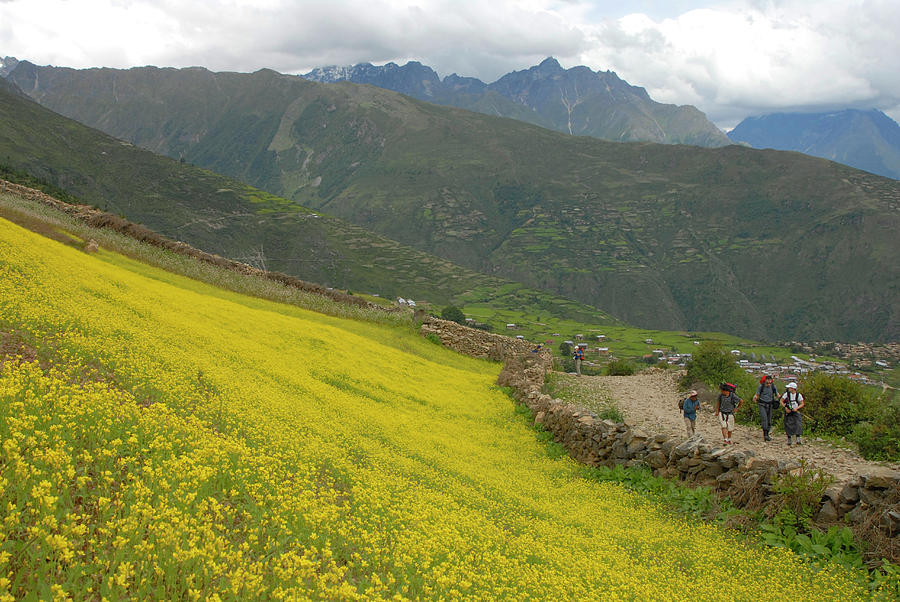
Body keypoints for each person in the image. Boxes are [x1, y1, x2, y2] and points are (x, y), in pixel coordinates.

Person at [753, 374, 779, 441]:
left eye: (770, 382)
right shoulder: (761, 387)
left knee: (769, 421)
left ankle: (767, 434)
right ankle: (765, 435)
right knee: (764, 419)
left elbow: (777, 394)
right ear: (765, 381)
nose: (769, 384)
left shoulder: (773, 387)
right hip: (762, 404)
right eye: (767, 383)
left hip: (770, 405)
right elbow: (757, 394)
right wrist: (755, 397)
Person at [780, 382, 805, 446]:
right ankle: (789, 439)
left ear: (793, 388)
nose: (788, 389)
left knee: (798, 423)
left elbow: (802, 403)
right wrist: (785, 407)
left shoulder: (798, 395)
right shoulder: (786, 394)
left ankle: (798, 438)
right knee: (788, 424)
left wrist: (797, 408)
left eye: (789, 388)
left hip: (795, 411)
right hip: (788, 411)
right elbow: (781, 401)